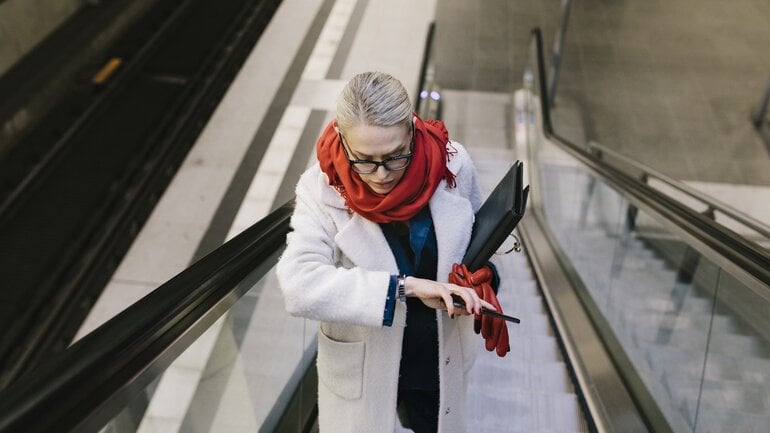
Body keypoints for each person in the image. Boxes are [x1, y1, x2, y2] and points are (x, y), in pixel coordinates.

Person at [276, 71, 509, 433]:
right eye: (364, 160)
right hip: (365, 366)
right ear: (342, 138)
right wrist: (405, 287)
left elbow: (485, 243)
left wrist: (485, 277)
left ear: (413, 131)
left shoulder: (454, 165)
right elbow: (298, 285)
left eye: (395, 156)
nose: (381, 174)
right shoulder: (318, 189)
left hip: (436, 358)